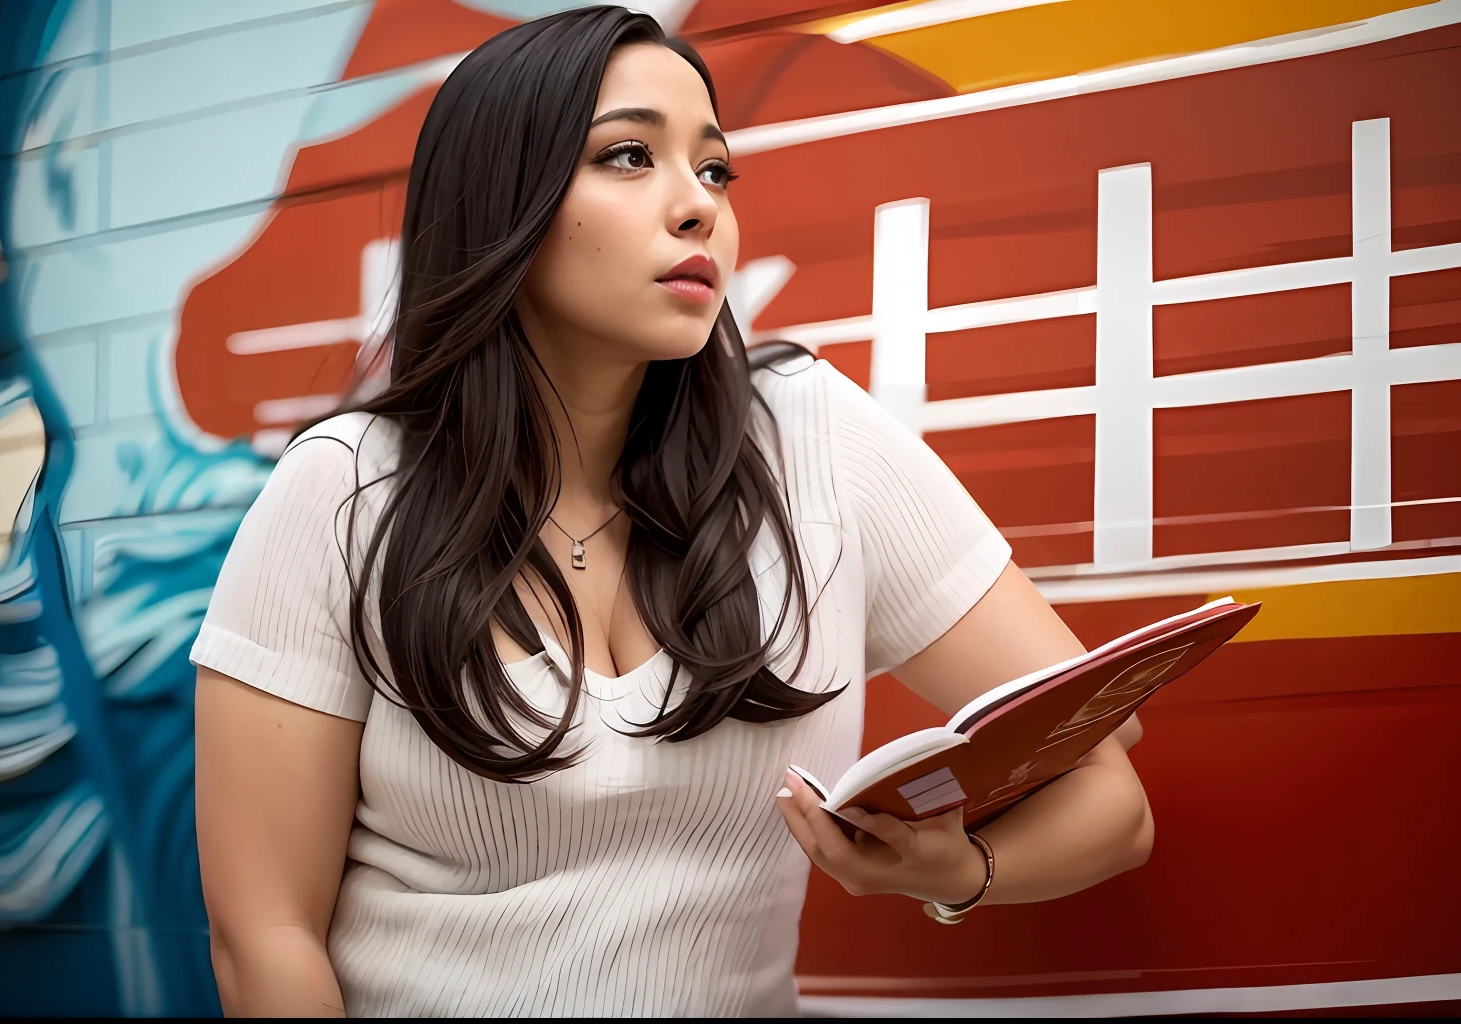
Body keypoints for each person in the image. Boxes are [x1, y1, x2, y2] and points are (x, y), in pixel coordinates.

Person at [190, 7, 1153, 1017]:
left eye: (714, 169)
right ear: (499, 201)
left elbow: (1109, 798)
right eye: (628, 156)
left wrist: (952, 873)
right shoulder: (344, 492)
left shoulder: (814, 437)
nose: (697, 206)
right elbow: (266, 941)